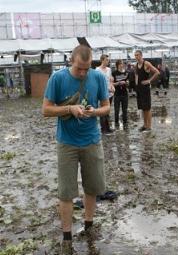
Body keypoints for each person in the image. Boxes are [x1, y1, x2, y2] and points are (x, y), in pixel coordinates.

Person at [42, 45, 110, 254]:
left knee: (92, 187)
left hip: (91, 140)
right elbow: (45, 109)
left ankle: (88, 225)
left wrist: (94, 111)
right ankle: (67, 236)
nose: (83, 73)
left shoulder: (97, 77)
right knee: (66, 192)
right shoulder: (57, 78)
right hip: (67, 143)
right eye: (79, 68)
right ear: (71, 60)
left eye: (87, 68)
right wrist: (69, 108)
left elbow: (107, 106)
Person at [134, 50, 160, 132]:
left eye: (137, 55)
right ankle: (145, 125)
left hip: (145, 89)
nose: (136, 57)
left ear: (141, 55)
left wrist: (149, 80)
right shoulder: (136, 65)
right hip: (139, 89)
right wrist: (136, 86)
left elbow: (157, 72)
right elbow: (137, 76)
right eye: (135, 55)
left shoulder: (146, 63)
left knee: (147, 108)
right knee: (142, 108)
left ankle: (149, 126)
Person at [96, 54, 115, 133]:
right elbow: (97, 83)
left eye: (108, 60)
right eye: (106, 60)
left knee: (107, 110)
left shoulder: (109, 69)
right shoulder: (97, 70)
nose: (108, 61)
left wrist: (112, 86)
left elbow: (110, 79)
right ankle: (103, 128)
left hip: (110, 93)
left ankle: (107, 127)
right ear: (102, 60)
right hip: (102, 93)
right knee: (102, 110)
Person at [112, 59, 129, 129]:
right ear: (118, 65)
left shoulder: (126, 72)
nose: (122, 65)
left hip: (125, 93)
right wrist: (119, 83)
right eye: (121, 64)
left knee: (125, 109)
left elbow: (128, 82)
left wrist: (127, 83)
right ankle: (116, 123)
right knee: (116, 109)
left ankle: (125, 123)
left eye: (123, 64)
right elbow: (112, 83)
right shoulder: (114, 73)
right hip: (117, 94)